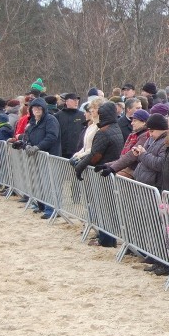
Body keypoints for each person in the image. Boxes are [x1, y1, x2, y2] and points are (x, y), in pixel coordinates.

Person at [75, 101, 124, 243]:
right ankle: (104, 236)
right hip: (109, 170)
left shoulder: (104, 132)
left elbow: (95, 155)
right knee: (106, 207)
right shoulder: (115, 127)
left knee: (104, 207)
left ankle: (106, 239)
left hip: (102, 172)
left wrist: (80, 167)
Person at [132, 113, 169, 189]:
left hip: (153, 185)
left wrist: (142, 154)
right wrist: (138, 153)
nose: (150, 134)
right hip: (143, 182)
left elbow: (160, 164)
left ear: (161, 129)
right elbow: (144, 159)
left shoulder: (166, 141)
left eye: (152, 131)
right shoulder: (151, 139)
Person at [56, 93, 87, 159]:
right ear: (66, 101)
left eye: (77, 100)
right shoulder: (58, 116)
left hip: (77, 152)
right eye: (73, 100)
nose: (76, 102)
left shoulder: (82, 115)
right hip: (61, 152)